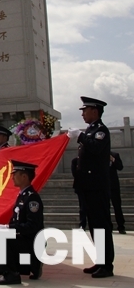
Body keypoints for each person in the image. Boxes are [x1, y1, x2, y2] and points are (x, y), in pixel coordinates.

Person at [68, 96, 114, 278]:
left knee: (101, 225)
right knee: (94, 226)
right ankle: (101, 261)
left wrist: (80, 136)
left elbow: (95, 148)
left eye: (85, 110)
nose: (83, 114)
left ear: (95, 111)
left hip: (97, 187)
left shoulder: (101, 130)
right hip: (88, 187)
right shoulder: (91, 130)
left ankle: (107, 265)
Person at [0, 160, 44, 285]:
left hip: (31, 242)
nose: (12, 177)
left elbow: (32, 226)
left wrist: (9, 229)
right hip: (22, 239)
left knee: (1, 237)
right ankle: (29, 266)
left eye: (15, 174)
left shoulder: (32, 198)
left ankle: (12, 275)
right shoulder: (22, 195)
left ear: (24, 176)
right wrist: (7, 227)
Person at [109, 151, 125, 234]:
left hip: (114, 185)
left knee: (117, 206)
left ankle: (121, 226)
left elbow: (120, 167)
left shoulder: (115, 155)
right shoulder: (99, 155)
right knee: (105, 207)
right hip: (103, 185)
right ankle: (108, 226)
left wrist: (113, 160)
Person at [71, 155, 86, 229]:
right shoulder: (75, 161)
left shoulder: (90, 160)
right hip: (80, 186)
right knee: (82, 206)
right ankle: (82, 224)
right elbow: (75, 173)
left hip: (91, 186)